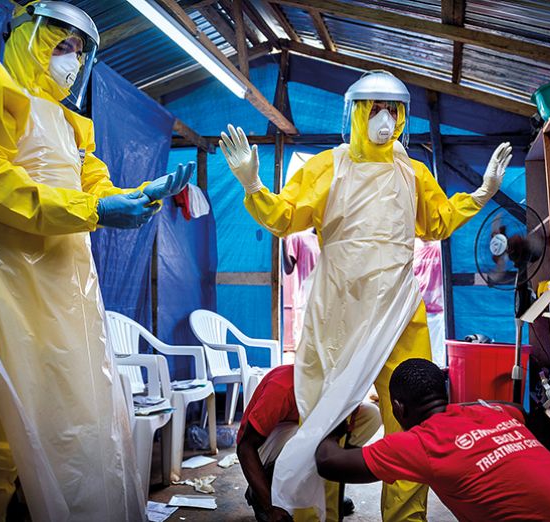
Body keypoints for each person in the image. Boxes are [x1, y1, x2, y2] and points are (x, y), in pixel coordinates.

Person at [0, 2, 191, 521]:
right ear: (25, 36)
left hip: (64, 290)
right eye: (61, 45)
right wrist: (93, 209)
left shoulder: (73, 124)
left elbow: (94, 188)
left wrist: (143, 194)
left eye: (79, 50)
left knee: (72, 422)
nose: (71, 60)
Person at [219, 70, 512, 520]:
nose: (384, 118)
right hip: (339, 311)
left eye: (392, 109)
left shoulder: (413, 174)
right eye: (373, 108)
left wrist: (482, 192)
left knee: (413, 424)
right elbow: (285, 217)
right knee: (325, 421)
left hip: (399, 312)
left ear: (402, 116)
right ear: (354, 113)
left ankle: (406, 518)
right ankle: (317, 515)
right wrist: (253, 186)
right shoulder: (327, 166)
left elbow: (436, 223)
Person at [315, 359, 550, 521]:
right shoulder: (498, 413)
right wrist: (466, 408)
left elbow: (328, 463)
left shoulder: (423, 444)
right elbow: (520, 410)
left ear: (398, 409)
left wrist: (336, 420)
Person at [237, 365, 381, 522]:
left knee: (370, 415)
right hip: (262, 449)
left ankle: (321, 488)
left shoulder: (340, 386)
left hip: (296, 437)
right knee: (310, 435)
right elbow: (245, 447)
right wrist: (270, 507)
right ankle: (264, 491)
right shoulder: (283, 385)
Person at [413, 238, 446, 366]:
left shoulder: (440, 247)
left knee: (437, 357)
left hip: (439, 312)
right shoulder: (415, 248)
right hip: (419, 310)